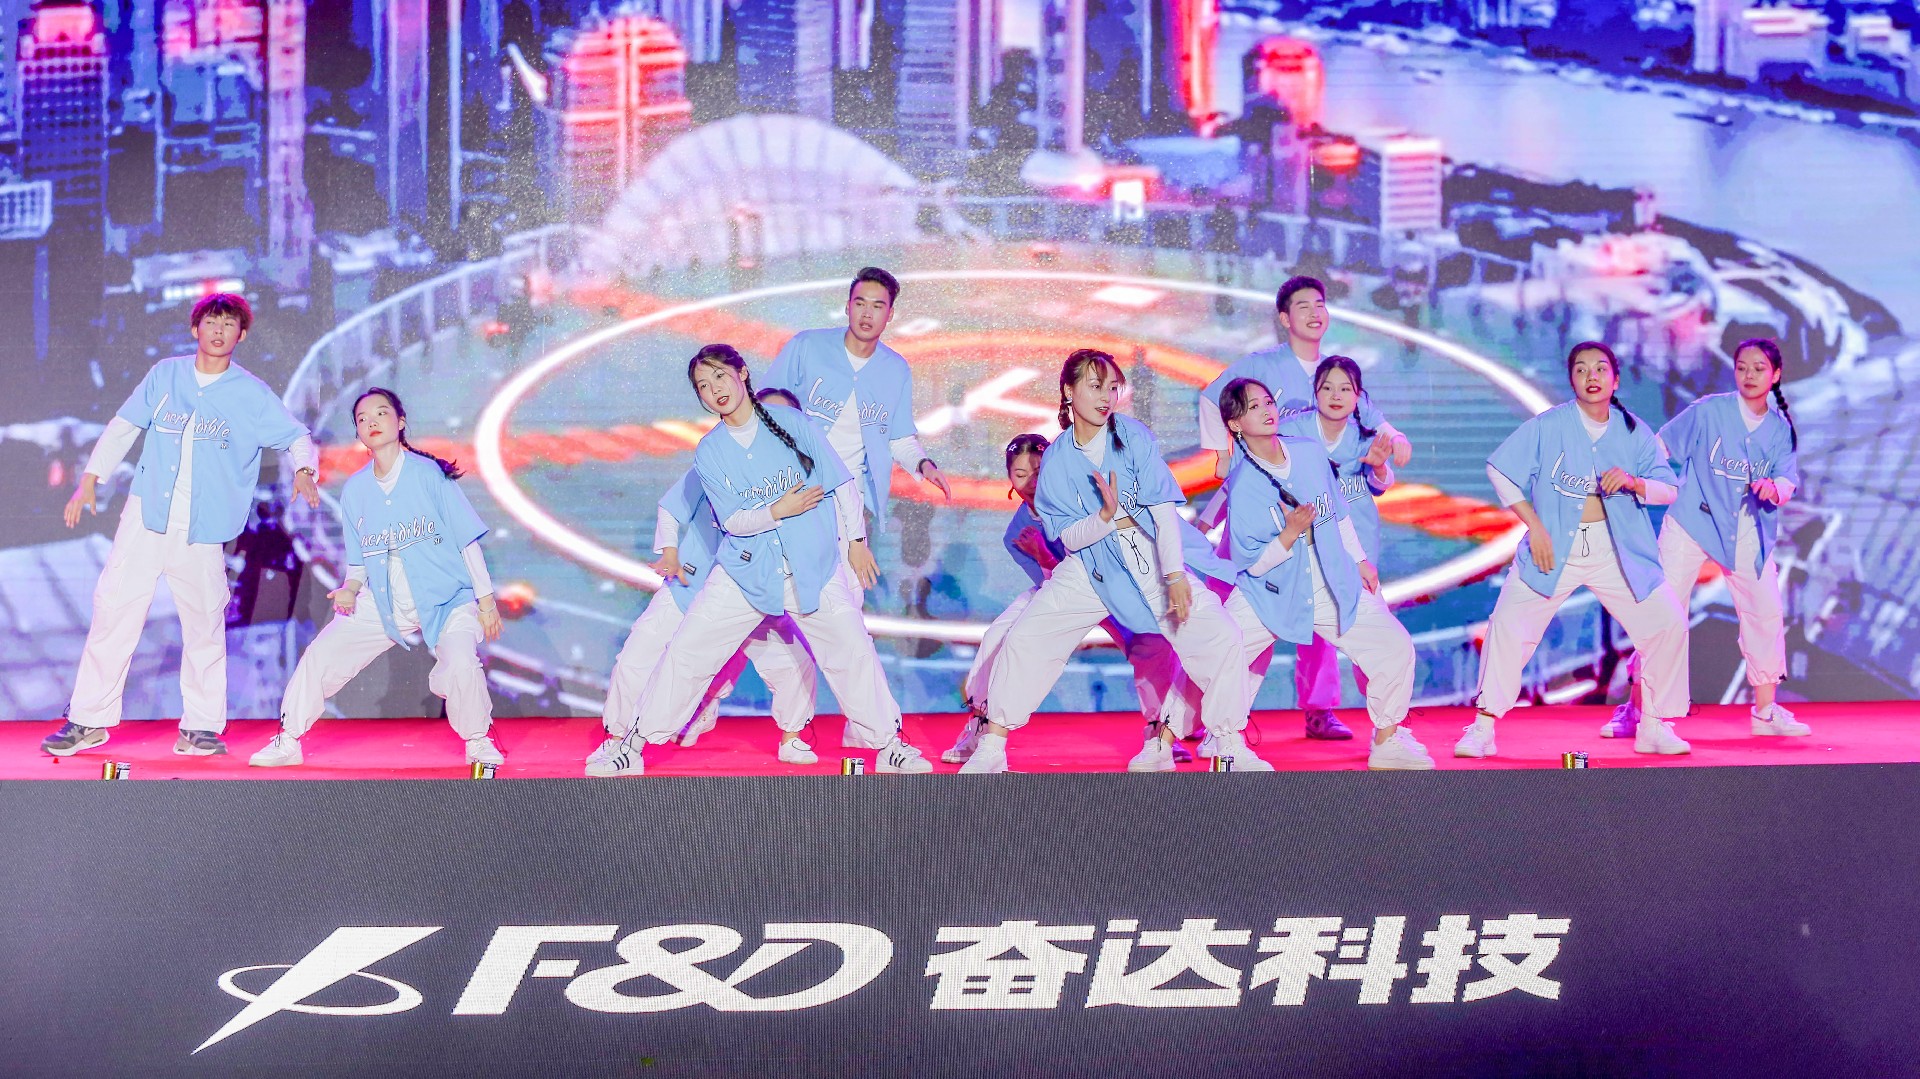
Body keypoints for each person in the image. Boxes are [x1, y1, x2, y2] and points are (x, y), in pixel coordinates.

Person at [587, 345, 932, 776]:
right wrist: (776, 511)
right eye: (703, 386)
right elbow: (733, 521)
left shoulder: (792, 423)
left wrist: (856, 542)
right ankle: (633, 746)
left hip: (813, 568)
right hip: (743, 573)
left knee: (851, 652)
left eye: (720, 376)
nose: (715, 389)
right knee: (688, 654)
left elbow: (840, 481)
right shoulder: (710, 451)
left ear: (742, 373)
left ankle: (889, 745)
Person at [43, 293, 321, 758]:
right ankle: (88, 720)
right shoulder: (165, 375)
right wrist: (91, 478)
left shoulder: (250, 393)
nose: (218, 331)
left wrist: (304, 470)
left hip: (203, 528)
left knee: (204, 624)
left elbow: (297, 436)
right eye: (211, 322)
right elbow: (124, 425)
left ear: (241, 335)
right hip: (146, 515)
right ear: (195, 329)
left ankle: (201, 729)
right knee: (114, 611)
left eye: (228, 324)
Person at [960, 350, 1260, 774]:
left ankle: (1226, 743)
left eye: (1113, 387)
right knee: (1027, 638)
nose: (1107, 397)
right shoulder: (1057, 460)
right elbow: (1069, 537)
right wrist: (1103, 517)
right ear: (1069, 392)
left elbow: (1161, 509)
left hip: (1147, 558)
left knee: (1221, 636)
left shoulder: (1132, 435)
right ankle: (992, 745)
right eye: (1096, 386)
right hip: (1088, 567)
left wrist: (1175, 574)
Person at [1195, 276, 1413, 741]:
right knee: (1241, 624)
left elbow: (1381, 434)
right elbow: (1213, 400)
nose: (1315, 313)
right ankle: (1199, 720)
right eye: (1303, 305)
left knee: (1343, 620)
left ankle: (1344, 714)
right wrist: (1222, 456)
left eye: (1320, 304)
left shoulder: (1340, 380)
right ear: (1283, 317)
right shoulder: (1263, 367)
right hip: (1267, 524)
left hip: (1330, 523)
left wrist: (1392, 446)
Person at [1459, 342, 1692, 759]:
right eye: (1581, 369)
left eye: (1600, 368)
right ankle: (1482, 728)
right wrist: (1535, 527)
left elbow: (1668, 489)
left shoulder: (1635, 431)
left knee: (1668, 623)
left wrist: (1635, 482)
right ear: (1571, 380)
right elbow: (1500, 469)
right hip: (1552, 548)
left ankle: (1655, 726)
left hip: (1617, 550)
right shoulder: (1549, 425)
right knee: (1508, 626)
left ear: (1615, 380)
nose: (1591, 376)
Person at [249, 389, 505, 767]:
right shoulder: (356, 490)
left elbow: (466, 541)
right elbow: (359, 561)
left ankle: (478, 740)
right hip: (383, 603)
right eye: (362, 418)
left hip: (448, 598)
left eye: (381, 414)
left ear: (400, 422)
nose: (371, 422)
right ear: (357, 432)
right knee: (321, 655)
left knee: (462, 663)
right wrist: (349, 589)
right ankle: (288, 740)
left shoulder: (429, 475)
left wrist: (486, 602)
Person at [585, 390, 822, 776]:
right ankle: (618, 740)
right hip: (692, 582)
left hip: (754, 592)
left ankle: (790, 736)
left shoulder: (804, 477)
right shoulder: (714, 462)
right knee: (637, 659)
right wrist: (670, 551)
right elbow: (671, 507)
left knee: (795, 662)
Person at [943, 433, 1204, 766]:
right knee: (1001, 633)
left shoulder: (1080, 497)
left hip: (1113, 582)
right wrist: (1041, 556)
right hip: (1068, 591)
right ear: (1008, 478)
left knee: (1151, 642)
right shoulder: (1016, 533)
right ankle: (981, 725)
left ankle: (1159, 732)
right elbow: (1054, 591)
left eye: (1039, 471)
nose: (1031, 483)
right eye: (1020, 474)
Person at [1217, 378, 1433, 770]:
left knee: (1394, 646)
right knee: (1220, 653)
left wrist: (1360, 560)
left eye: (1267, 402)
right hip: (1268, 590)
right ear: (1235, 424)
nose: (1266, 411)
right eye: (1253, 407)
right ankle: (1208, 745)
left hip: (1330, 580)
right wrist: (1289, 534)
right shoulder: (1245, 483)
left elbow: (1338, 513)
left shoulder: (1308, 451)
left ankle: (1387, 741)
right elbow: (1253, 564)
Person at [1606, 338, 1807, 739]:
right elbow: (1660, 446)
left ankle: (1766, 711)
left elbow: (1787, 479)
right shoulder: (1709, 410)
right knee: (1662, 614)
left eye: (1759, 369)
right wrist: (1636, 477)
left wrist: (1774, 488)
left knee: (1764, 613)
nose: (1749, 375)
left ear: (1776, 375)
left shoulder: (1779, 428)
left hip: (1746, 529)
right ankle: (1638, 708)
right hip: (1690, 524)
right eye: (1742, 367)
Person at [763, 266, 951, 540]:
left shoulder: (896, 369)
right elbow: (764, 406)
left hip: (852, 499)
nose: (867, 314)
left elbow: (898, 438)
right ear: (847, 306)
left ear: (890, 314)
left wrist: (924, 465)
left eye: (877, 306)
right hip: (795, 489)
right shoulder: (807, 346)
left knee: (850, 568)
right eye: (860, 303)